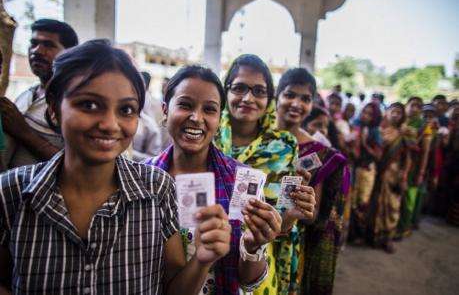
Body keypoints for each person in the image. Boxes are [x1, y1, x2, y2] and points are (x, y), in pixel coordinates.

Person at [0, 40, 231, 294]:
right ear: (54, 108)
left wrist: (201, 260)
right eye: (89, 105)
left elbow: (173, 288)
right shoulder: (11, 194)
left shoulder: (156, 189)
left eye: (126, 109)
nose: (110, 124)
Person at [146, 65, 289, 294]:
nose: (196, 118)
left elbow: (248, 281)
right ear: (165, 110)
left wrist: (254, 246)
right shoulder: (142, 179)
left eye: (209, 110)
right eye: (185, 105)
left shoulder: (241, 181)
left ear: (219, 119)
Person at [214, 55, 316, 295]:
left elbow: (282, 221)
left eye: (259, 91)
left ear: (269, 99)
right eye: (239, 88)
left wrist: (290, 215)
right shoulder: (208, 135)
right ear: (225, 91)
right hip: (206, 252)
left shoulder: (284, 146)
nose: (248, 98)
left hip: (259, 257)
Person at [276, 68, 350, 295]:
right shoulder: (256, 138)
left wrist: (301, 207)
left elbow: (315, 215)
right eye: (290, 95)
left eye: (305, 98)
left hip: (289, 243)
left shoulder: (318, 154)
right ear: (277, 96)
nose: (297, 104)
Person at [0, 19, 78, 170]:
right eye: (33, 43)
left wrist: (24, 132)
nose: (37, 50)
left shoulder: (73, 102)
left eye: (48, 45)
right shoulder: (26, 95)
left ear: (70, 54)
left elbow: (78, 167)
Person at [367, 103, 410, 253]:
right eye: (393, 111)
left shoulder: (403, 133)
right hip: (379, 172)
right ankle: (374, 236)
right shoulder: (379, 130)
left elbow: (407, 158)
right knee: (377, 203)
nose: (396, 115)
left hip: (394, 175)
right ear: (387, 112)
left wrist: (404, 175)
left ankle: (388, 238)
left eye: (399, 112)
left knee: (392, 206)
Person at [348, 102, 383, 243]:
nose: (365, 116)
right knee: (353, 200)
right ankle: (352, 233)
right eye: (364, 112)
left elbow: (378, 156)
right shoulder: (356, 125)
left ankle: (360, 234)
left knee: (363, 201)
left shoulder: (375, 131)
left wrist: (365, 144)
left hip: (367, 170)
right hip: (355, 168)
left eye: (370, 114)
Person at [397, 97, 431, 237]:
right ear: (407, 106)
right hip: (398, 163)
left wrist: (421, 173)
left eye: (418, 106)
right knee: (397, 195)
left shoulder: (425, 126)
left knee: (408, 198)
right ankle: (393, 225)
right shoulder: (400, 121)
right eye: (412, 105)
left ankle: (404, 228)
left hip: (414, 167)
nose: (414, 108)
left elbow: (426, 151)